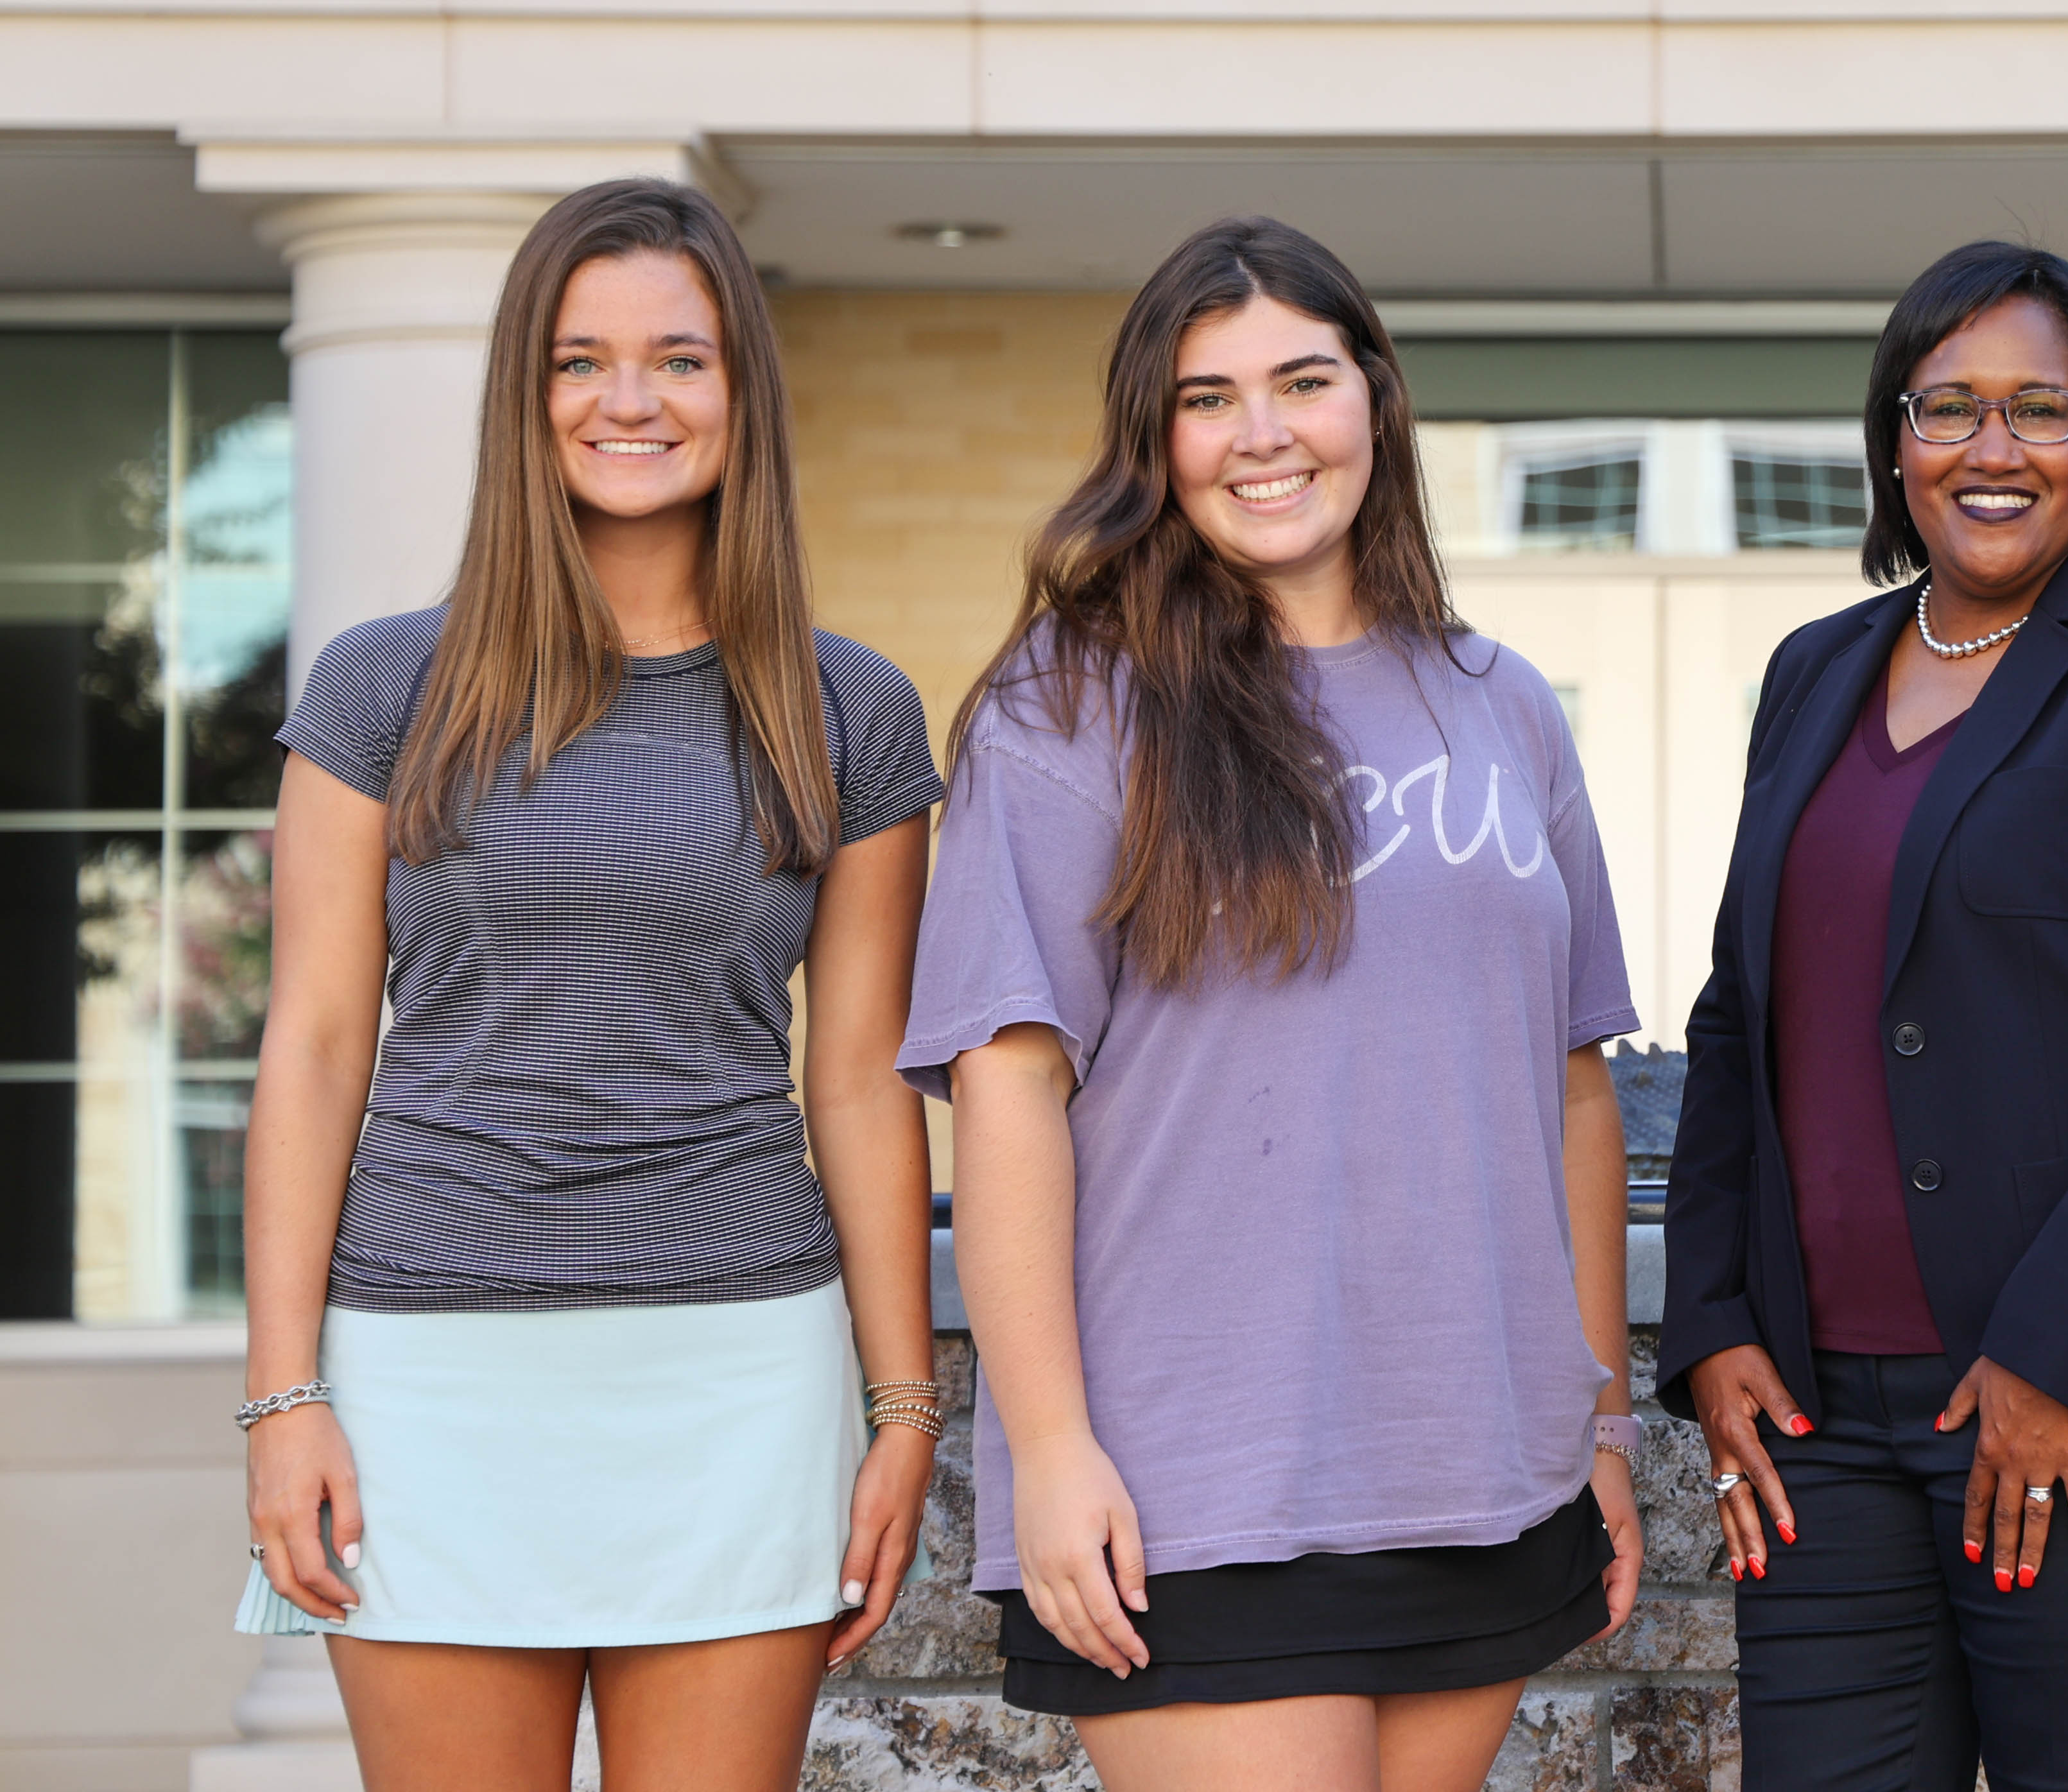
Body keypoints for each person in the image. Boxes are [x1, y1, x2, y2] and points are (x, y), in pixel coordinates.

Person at [899, 216, 1644, 1792]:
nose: (1262, 434)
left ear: (1374, 398)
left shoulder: (1505, 704)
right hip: (1201, 1480)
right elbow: (1008, 1087)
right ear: (1154, 441)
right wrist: (1049, 1444)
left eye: (1302, 380)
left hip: (1479, 1470)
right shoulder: (1073, 699)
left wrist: (1598, 1423)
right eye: (1206, 396)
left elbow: (1572, 1083)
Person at [235, 178, 949, 1790]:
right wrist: (283, 1392)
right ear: (525, 393)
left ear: (742, 391)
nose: (630, 400)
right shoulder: (381, 687)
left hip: (737, 1368)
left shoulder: (850, 711)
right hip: (429, 1365)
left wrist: (902, 1406)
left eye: (680, 359)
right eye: (581, 360)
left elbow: (856, 1080)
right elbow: (318, 1041)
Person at [1657, 241, 2068, 1792]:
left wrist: (2055, 1357)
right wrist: (1711, 1318)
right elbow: (1740, 1017)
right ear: (1895, 441)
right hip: (1818, 1417)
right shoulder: (1812, 672)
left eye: (2040, 407)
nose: (1992, 447)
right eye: (1949, 406)